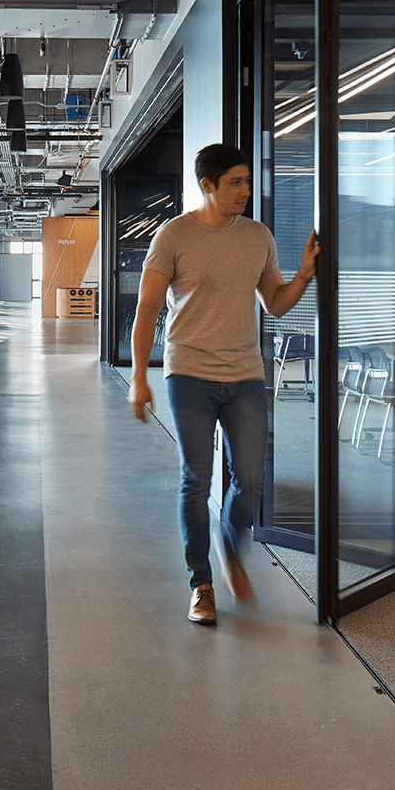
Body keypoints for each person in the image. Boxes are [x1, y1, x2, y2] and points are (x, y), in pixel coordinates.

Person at [129, 143, 320, 628]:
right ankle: (202, 585)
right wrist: (137, 379)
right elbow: (147, 309)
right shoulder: (173, 236)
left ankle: (230, 544)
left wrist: (303, 275)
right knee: (196, 480)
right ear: (207, 186)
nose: (245, 191)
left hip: (245, 374)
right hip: (188, 372)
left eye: (247, 181)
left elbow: (274, 304)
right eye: (234, 182)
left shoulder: (257, 236)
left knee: (250, 479)